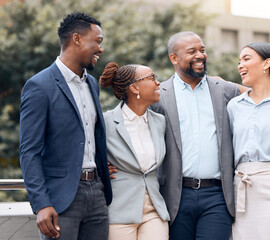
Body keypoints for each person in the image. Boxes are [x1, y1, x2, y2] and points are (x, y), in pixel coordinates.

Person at [19, 12, 112, 240]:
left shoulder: (91, 83)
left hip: (97, 196)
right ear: (77, 39)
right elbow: (29, 152)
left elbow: (89, 135)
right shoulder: (39, 86)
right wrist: (41, 204)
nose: (100, 49)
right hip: (62, 199)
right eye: (97, 42)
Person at [149, 31, 239, 240]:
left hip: (217, 197)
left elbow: (263, 97)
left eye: (202, 50)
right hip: (176, 195)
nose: (200, 55)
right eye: (192, 51)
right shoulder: (158, 94)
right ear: (174, 58)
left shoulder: (224, 90)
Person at [227, 42, 270, 240]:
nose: (240, 65)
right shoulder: (234, 106)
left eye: (246, 59)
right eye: (239, 61)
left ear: (267, 63)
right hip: (241, 184)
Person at [99, 62, 170, 240]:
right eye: (152, 78)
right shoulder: (105, 122)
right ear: (134, 87)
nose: (158, 83)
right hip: (119, 209)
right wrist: (99, 170)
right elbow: (87, 155)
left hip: (154, 209)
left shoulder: (160, 121)